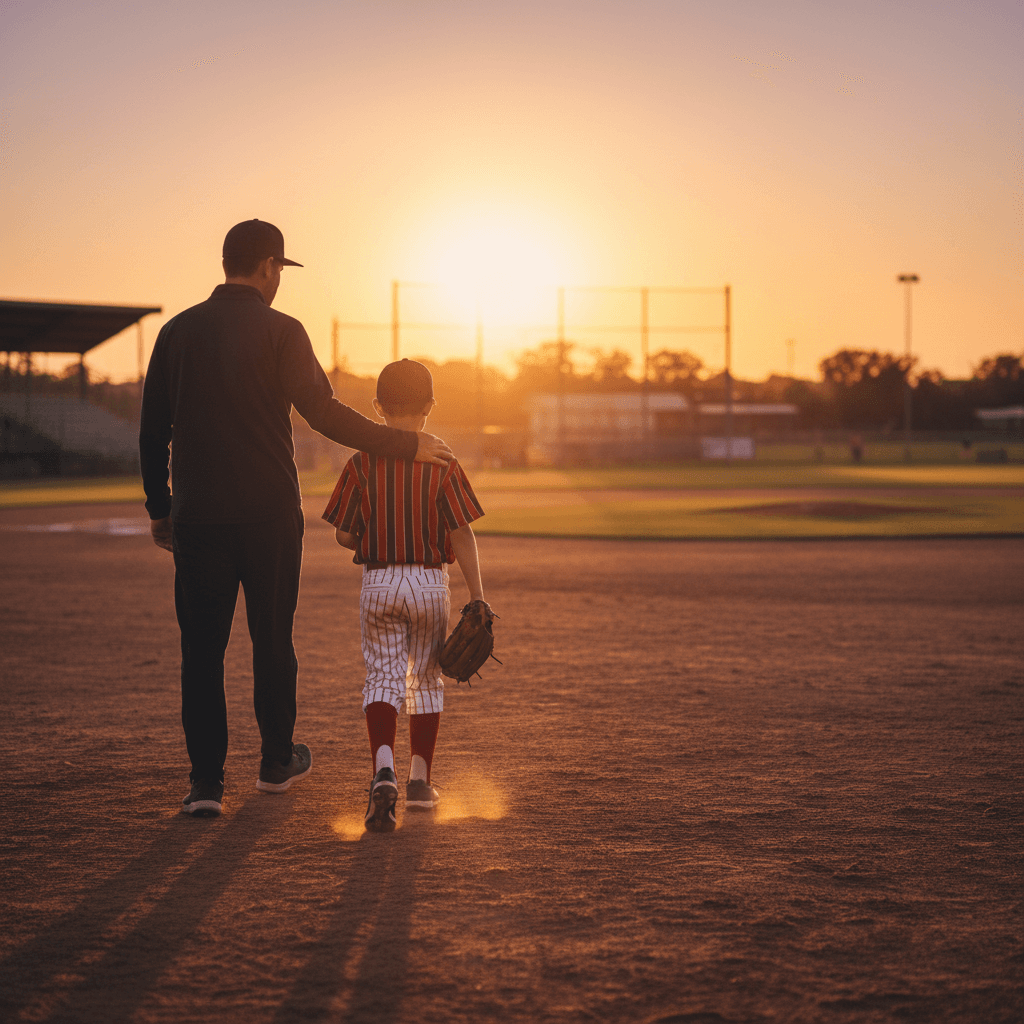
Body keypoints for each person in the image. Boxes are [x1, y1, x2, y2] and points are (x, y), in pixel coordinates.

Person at [139, 220, 453, 817]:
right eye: (280, 269)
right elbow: (324, 415)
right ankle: (276, 761)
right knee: (271, 641)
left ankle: (205, 785)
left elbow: (153, 433)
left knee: (201, 652)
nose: (279, 279)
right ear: (267, 268)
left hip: (198, 516)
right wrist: (404, 445)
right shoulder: (282, 330)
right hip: (268, 516)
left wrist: (161, 508)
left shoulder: (176, 332)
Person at [321, 359, 487, 832]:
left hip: (378, 582)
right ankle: (419, 782)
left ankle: (383, 770)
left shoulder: (361, 462)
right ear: (430, 407)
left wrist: (371, 535)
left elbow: (344, 537)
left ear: (376, 407)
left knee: (382, 677)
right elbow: (461, 533)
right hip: (429, 583)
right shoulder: (443, 461)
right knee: (426, 681)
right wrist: (479, 596)